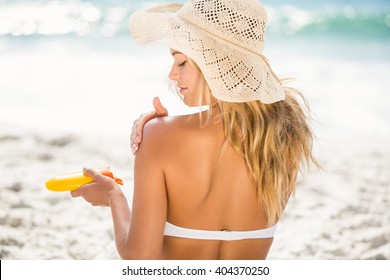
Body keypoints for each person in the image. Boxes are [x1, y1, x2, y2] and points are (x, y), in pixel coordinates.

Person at [71, 0, 318, 259]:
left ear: (213, 63)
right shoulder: (284, 137)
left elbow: (140, 259)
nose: (172, 75)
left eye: (181, 62)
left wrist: (113, 196)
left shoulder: (158, 136)